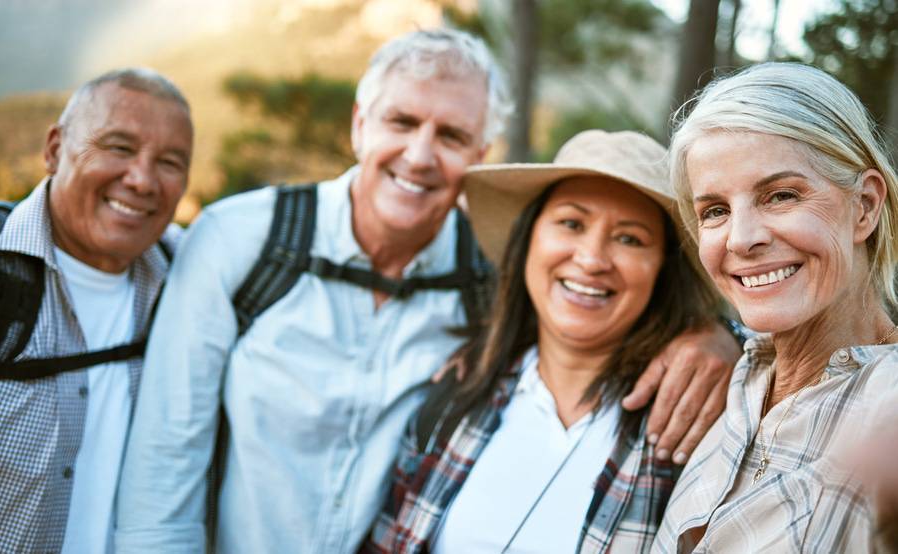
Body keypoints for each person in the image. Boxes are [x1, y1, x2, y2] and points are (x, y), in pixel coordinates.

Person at [115, 29, 738, 554]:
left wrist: (717, 335)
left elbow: (597, 310)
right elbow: (163, 471)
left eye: (450, 136)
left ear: (478, 153)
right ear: (360, 125)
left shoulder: (489, 277)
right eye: (401, 121)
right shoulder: (242, 240)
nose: (418, 154)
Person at [363, 129, 720, 553]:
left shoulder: (693, 422)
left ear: (663, 269)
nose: (591, 259)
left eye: (629, 238)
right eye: (571, 223)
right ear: (529, 238)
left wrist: (729, 336)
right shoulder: (455, 398)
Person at [653, 62, 898, 552]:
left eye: (781, 196)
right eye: (715, 211)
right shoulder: (736, 382)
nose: (741, 240)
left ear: (865, 206)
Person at [0, 68, 192, 553]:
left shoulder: (191, 283)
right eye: (119, 148)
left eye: (170, 162)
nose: (143, 180)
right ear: (53, 149)